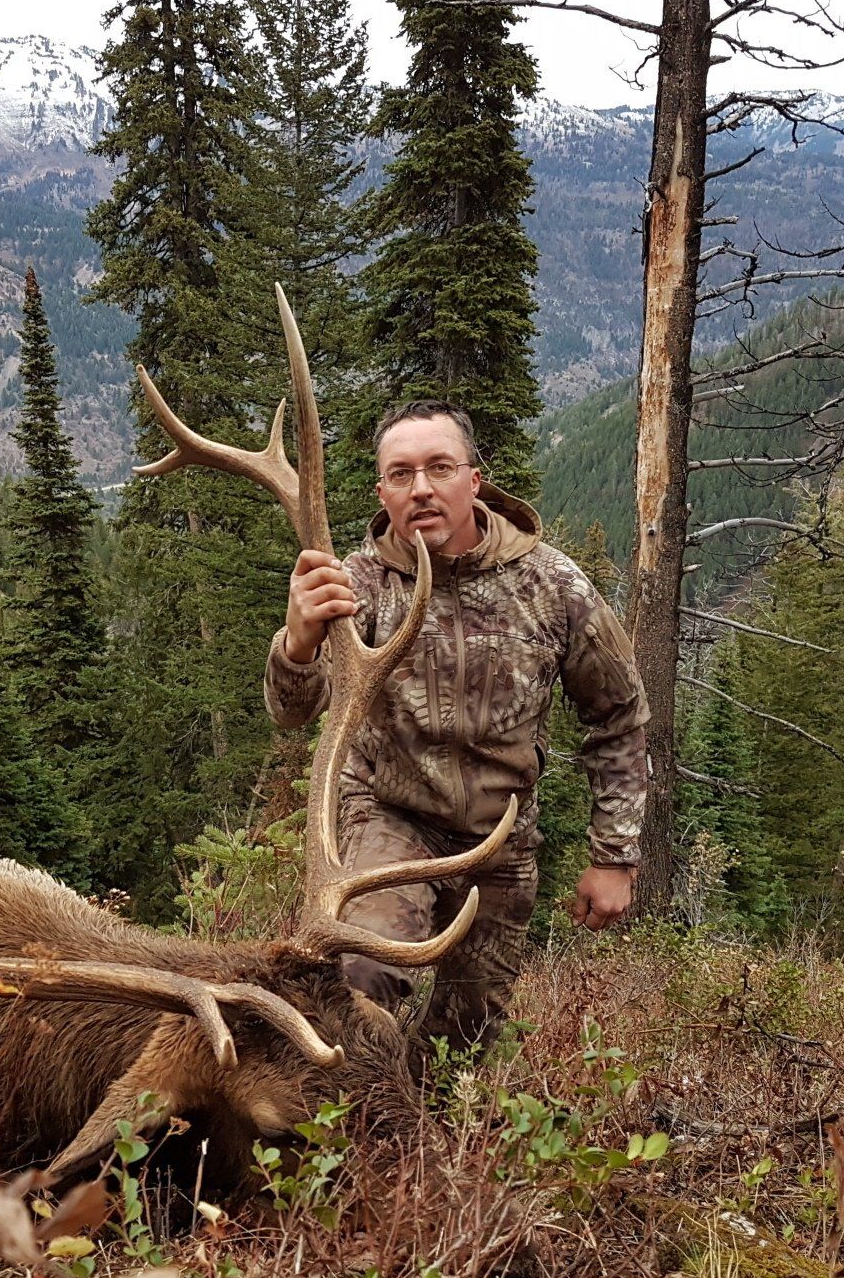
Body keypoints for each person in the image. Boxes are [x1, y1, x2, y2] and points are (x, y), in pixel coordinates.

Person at [263, 399, 650, 1050]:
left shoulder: (552, 585)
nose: (421, 488)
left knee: (461, 1047)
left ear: (475, 479)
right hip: (391, 819)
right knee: (357, 983)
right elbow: (294, 710)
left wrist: (615, 856)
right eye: (400, 474)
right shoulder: (357, 584)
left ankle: (423, 1144)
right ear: (381, 492)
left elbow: (618, 717)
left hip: (501, 841)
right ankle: (332, 1137)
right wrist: (297, 644)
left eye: (439, 467)